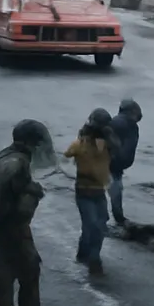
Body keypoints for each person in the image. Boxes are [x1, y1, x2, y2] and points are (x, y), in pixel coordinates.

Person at [0, 119, 53, 306]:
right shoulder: (17, 162)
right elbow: (15, 189)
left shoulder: (6, 155)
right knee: (29, 266)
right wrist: (34, 192)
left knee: (6, 263)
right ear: (31, 141)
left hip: (1, 221)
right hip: (13, 221)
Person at [64, 109, 114, 276]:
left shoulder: (107, 144)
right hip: (84, 190)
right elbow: (66, 156)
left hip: (99, 191)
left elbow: (119, 151)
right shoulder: (80, 144)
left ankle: (93, 257)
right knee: (91, 225)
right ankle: (86, 255)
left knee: (99, 225)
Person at [107, 98, 142, 225]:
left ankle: (111, 217)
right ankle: (118, 218)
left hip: (107, 163)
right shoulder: (130, 125)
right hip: (115, 165)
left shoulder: (113, 121)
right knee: (115, 189)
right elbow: (126, 147)